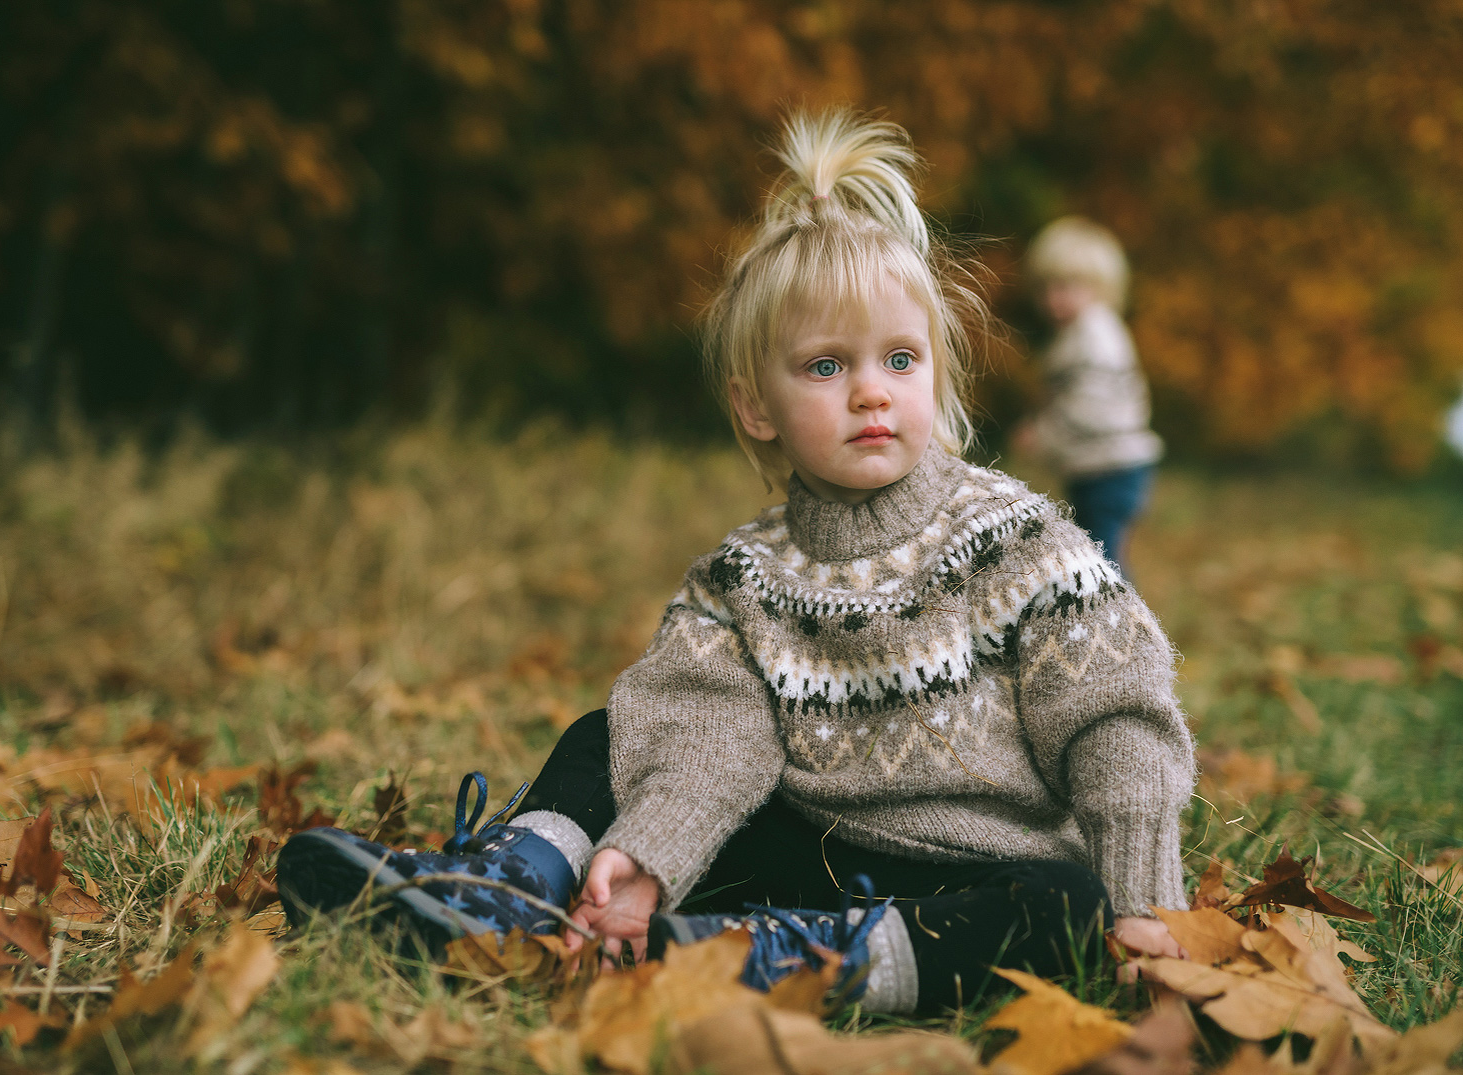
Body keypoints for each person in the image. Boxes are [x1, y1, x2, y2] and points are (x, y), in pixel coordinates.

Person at [278, 110, 1194, 1015]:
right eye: (827, 367)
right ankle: (511, 890)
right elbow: (709, 740)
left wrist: (1148, 906)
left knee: (1062, 909)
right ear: (756, 405)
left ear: (938, 379)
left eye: (900, 359)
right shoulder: (742, 579)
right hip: (806, 848)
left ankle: (766, 961)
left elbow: (1116, 720)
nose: (872, 389)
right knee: (612, 734)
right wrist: (647, 854)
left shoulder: (1020, 542)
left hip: (973, 869)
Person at [1019, 217, 1163, 572]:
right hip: (1098, 467)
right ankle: (1111, 619)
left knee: (1103, 562)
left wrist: (1043, 435)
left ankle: (1121, 623)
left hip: (1112, 468)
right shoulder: (1078, 334)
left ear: (1101, 287)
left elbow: (1088, 406)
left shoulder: (1095, 333)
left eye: (1068, 286)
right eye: (1047, 287)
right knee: (1098, 553)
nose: (1055, 299)